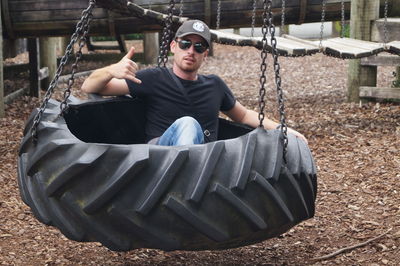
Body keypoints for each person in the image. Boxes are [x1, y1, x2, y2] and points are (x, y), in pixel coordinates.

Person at [81, 20, 307, 146]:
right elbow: (89, 87)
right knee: (188, 124)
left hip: (204, 160)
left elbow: (244, 115)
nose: (191, 51)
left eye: (199, 47)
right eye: (186, 44)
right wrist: (111, 70)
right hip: (159, 156)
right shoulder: (153, 78)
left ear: (205, 54)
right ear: (173, 46)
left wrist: (283, 129)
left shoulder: (215, 85)